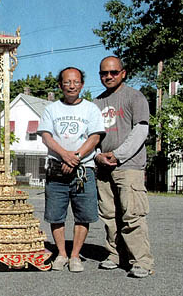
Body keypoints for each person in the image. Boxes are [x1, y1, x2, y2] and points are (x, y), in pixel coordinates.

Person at [37, 67, 105, 272]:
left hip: (84, 169)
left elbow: (95, 137)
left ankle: (75, 255)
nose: (72, 85)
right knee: (55, 214)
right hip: (57, 168)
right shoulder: (51, 109)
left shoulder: (91, 109)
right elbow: (46, 136)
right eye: (67, 82)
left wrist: (75, 157)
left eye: (76, 82)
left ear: (82, 85)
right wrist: (64, 154)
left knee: (83, 214)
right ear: (60, 85)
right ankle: (62, 254)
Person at [93, 56, 154, 278]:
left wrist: (118, 155)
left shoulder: (135, 97)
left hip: (129, 166)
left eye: (113, 72)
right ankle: (114, 254)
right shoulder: (96, 102)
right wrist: (97, 156)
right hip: (103, 167)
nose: (108, 76)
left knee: (132, 214)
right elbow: (91, 137)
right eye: (103, 73)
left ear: (123, 73)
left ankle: (141, 260)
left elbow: (140, 131)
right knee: (109, 214)